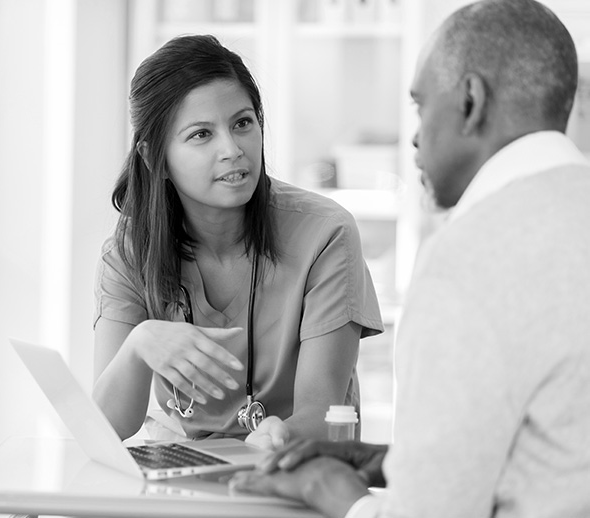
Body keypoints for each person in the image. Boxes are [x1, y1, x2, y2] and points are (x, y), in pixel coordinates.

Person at [229, 0, 590, 516]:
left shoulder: (466, 259)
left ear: (471, 101)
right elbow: (558, 447)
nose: (416, 135)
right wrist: (392, 459)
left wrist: (326, 489)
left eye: (422, 106)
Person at [92, 34, 383, 448]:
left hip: (288, 471)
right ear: (154, 157)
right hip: (182, 479)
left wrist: (272, 440)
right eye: (201, 134)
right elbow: (104, 428)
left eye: (242, 123)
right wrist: (139, 346)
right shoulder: (129, 252)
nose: (233, 149)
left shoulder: (325, 234)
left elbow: (321, 413)